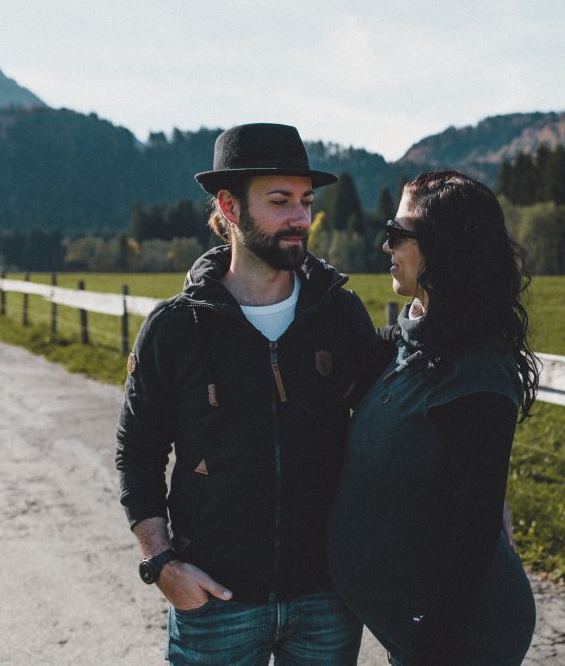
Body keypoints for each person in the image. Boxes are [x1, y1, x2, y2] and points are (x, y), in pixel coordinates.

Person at [115, 123, 387, 665]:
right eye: (280, 201)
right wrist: (161, 564)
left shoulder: (338, 314)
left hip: (327, 598)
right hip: (216, 599)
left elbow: (392, 425)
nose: (301, 218)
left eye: (306, 201)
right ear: (230, 207)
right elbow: (137, 452)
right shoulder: (176, 328)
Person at [327, 170, 540, 665]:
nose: (386, 245)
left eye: (399, 233)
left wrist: (434, 646)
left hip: (460, 637)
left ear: (443, 248)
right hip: (418, 629)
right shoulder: (414, 340)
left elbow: (474, 532)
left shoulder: (476, 371)